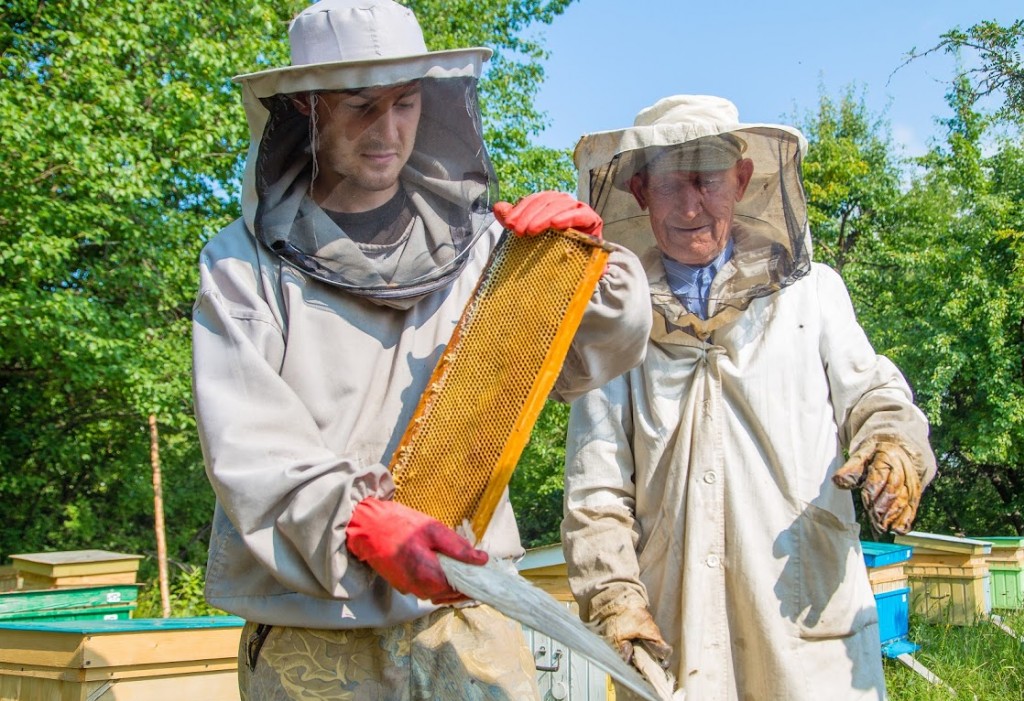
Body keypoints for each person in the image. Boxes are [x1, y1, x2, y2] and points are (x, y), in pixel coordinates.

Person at [190, 1, 652, 699]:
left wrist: (583, 261)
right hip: (316, 619)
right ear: (309, 108)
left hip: (467, 607)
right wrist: (360, 518)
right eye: (361, 106)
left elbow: (589, 357)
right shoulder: (240, 265)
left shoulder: (479, 247)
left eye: (406, 104)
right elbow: (249, 444)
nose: (389, 130)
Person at [561, 95, 938, 701]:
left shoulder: (811, 291)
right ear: (637, 191)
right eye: (669, 186)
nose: (690, 206)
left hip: (806, 613)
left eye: (706, 181)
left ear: (740, 180)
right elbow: (596, 486)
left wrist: (892, 444)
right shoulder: (613, 318)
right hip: (673, 622)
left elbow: (874, 393)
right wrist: (612, 597)